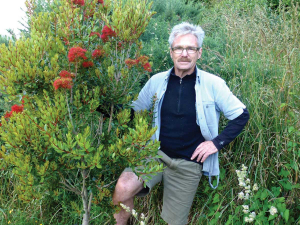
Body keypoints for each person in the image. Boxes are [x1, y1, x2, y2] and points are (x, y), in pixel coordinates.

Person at [113, 22, 250, 225]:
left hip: (187, 163)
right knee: (122, 188)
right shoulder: (157, 81)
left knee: (175, 222)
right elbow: (132, 112)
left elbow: (241, 115)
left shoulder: (213, 84)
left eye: (190, 48)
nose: (184, 53)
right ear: (171, 52)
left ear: (199, 53)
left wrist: (216, 143)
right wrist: (101, 105)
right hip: (155, 154)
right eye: (179, 48)